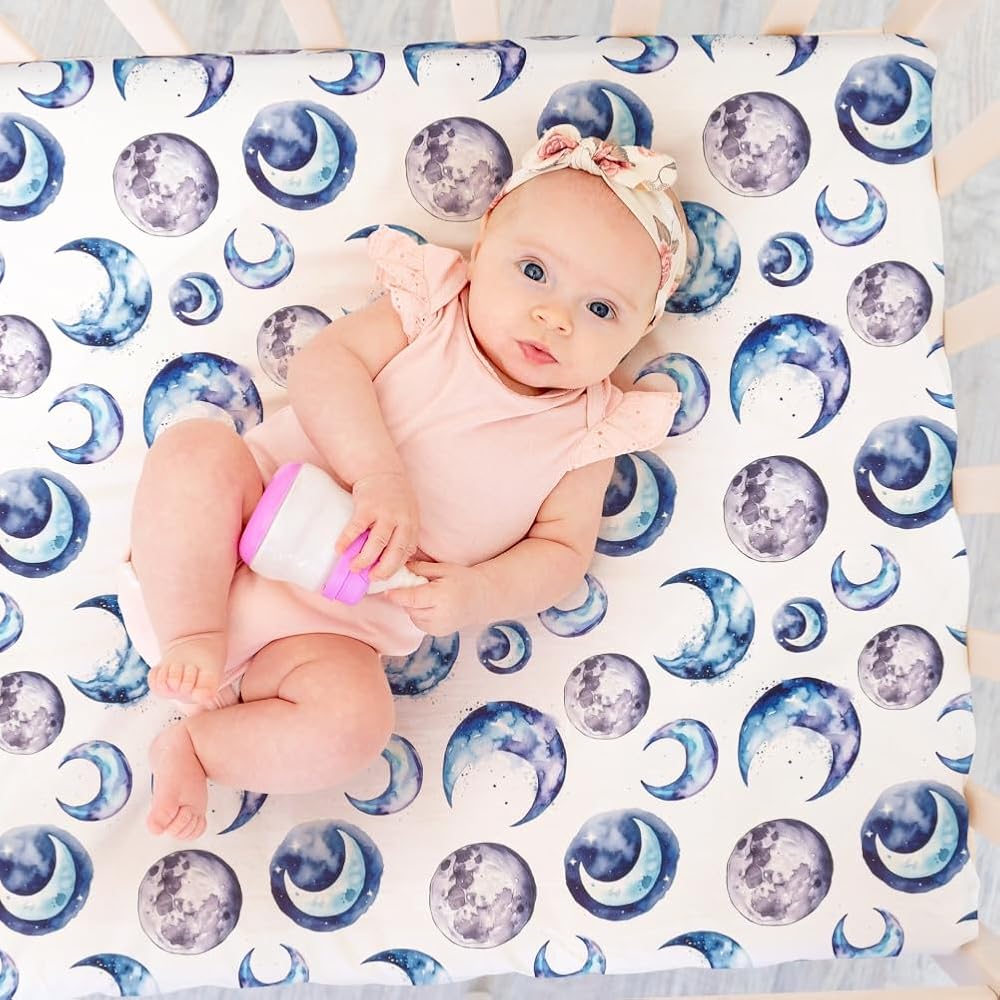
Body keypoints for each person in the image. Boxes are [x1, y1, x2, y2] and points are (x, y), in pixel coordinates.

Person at [118, 123, 690, 839]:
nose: (555, 317)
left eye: (600, 309)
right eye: (534, 272)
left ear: (638, 333)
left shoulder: (589, 429)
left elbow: (562, 553)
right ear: (482, 246)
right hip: (231, 530)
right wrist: (375, 473)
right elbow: (325, 365)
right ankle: (194, 633)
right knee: (195, 451)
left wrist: (479, 592)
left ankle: (200, 747)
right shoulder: (431, 312)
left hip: (331, 632)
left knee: (357, 724)